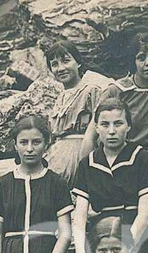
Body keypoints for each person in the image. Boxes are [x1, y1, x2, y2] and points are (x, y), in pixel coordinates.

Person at [69, 98, 148, 253]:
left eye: (118, 123)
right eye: (105, 124)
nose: (111, 131)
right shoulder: (88, 163)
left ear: (128, 126)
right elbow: (79, 218)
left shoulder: (143, 159)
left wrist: (126, 249)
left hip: (136, 235)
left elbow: (145, 215)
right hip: (100, 235)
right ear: (96, 128)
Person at [0, 115, 74, 253]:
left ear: (46, 144)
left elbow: (65, 233)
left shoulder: (56, 183)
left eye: (36, 142)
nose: (30, 148)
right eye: (23, 142)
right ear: (15, 145)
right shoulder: (1, 185)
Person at [86, 30, 148, 173]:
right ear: (133, 61)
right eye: (141, 58)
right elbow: (91, 134)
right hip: (116, 156)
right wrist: (87, 175)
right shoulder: (117, 90)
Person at [43, 41, 111, 182]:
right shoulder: (61, 95)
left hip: (79, 153)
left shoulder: (91, 90)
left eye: (66, 61)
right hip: (56, 153)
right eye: (54, 64)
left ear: (78, 63)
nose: (60, 68)